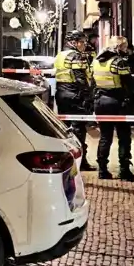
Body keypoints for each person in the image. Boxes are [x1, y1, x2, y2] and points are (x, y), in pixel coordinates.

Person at [91, 36, 134, 180]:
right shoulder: (119, 62)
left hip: (100, 101)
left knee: (105, 136)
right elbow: (129, 84)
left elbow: (92, 81)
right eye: (124, 48)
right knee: (124, 136)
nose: (126, 50)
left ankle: (102, 169)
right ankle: (124, 170)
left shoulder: (96, 62)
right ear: (119, 47)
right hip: (117, 102)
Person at [55, 30, 96, 170]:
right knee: (79, 128)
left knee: (64, 128)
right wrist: (88, 97)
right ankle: (81, 161)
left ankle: (64, 159)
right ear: (73, 42)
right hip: (75, 94)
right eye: (82, 42)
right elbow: (81, 79)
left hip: (61, 93)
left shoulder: (60, 55)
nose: (84, 45)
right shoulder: (76, 56)